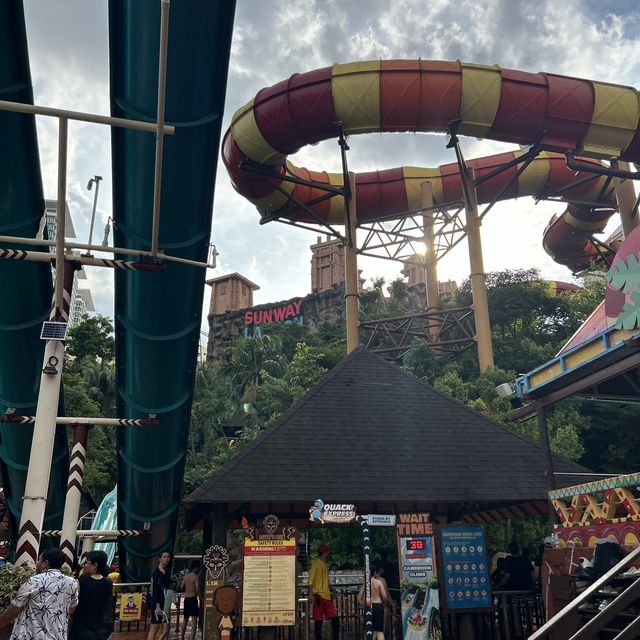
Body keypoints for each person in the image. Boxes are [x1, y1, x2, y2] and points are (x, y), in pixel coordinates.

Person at [0, 547, 78, 639]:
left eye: (39, 560)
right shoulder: (71, 583)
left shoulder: (33, 581)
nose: (37, 563)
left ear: (45, 563)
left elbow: (12, 612)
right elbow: (71, 608)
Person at [69, 550, 114, 640]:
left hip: (80, 629)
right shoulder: (108, 583)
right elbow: (108, 606)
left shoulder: (81, 581)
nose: (84, 565)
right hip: (100, 630)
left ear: (95, 565)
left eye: (86, 563)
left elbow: (73, 605)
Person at [309, 543, 339, 640]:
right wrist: (310, 595)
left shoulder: (325, 565)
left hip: (326, 595)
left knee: (335, 619)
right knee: (318, 621)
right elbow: (310, 580)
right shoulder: (315, 563)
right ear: (324, 552)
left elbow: (327, 581)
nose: (328, 554)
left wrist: (333, 590)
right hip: (318, 595)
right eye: (327, 552)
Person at [358, 565, 391, 640]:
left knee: (368, 630)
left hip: (369, 606)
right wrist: (384, 604)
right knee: (379, 631)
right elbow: (385, 597)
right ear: (375, 572)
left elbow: (359, 598)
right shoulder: (379, 582)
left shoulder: (366, 584)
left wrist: (365, 605)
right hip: (378, 606)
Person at [147, 550, 173, 640]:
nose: (167, 559)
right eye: (164, 557)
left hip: (165, 602)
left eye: (168, 557)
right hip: (157, 602)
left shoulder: (167, 572)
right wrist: (157, 606)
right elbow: (155, 590)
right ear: (160, 559)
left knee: (166, 630)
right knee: (154, 628)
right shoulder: (156, 573)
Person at [180, 561, 201, 640]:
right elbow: (197, 588)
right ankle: (192, 638)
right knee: (194, 621)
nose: (199, 569)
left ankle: (182, 637)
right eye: (198, 567)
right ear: (195, 568)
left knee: (185, 619)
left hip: (186, 599)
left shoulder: (186, 576)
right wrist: (200, 596)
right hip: (193, 599)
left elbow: (182, 587)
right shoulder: (196, 577)